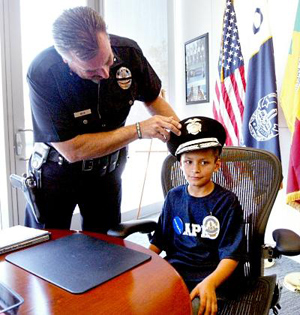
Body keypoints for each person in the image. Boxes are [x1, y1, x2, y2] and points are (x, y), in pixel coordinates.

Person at [25, 6, 181, 233]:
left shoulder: (128, 52)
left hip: (106, 174)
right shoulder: (44, 72)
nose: (106, 74)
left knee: (106, 251)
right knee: (46, 254)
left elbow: (153, 99)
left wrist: (186, 141)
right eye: (92, 71)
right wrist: (138, 130)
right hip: (56, 176)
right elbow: (72, 150)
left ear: (107, 37)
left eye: (108, 60)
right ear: (66, 59)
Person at [149, 116, 244, 315]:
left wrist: (210, 283)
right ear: (180, 164)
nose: (195, 169)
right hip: (175, 273)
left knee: (186, 310)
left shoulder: (227, 202)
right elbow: (160, 239)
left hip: (212, 277)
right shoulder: (174, 197)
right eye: (189, 162)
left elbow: (231, 255)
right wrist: (140, 262)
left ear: (216, 164)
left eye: (204, 162)